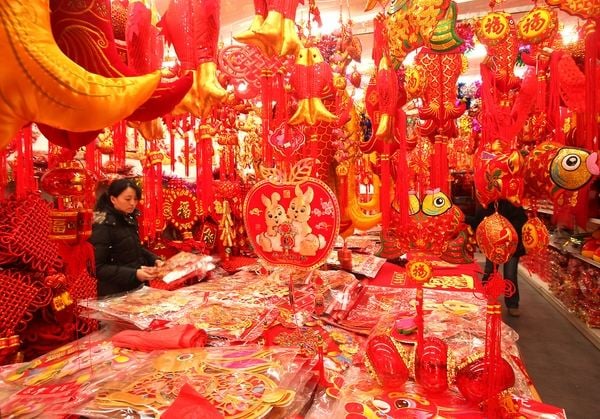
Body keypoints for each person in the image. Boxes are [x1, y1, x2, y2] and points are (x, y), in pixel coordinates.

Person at [89, 179, 163, 297]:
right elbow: (97, 268)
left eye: (135, 199)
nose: (133, 203)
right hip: (115, 293)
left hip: (137, 288)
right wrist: (134, 274)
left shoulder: (128, 218)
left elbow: (134, 247)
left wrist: (155, 260)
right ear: (113, 199)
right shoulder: (102, 224)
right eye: (128, 199)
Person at [470, 199, 528, 317]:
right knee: (489, 271)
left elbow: (522, 222)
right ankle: (485, 297)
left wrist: (503, 228)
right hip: (493, 246)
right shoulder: (487, 205)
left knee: (510, 275)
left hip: (512, 247)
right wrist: (462, 218)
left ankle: (512, 304)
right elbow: (477, 221)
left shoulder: (514, 204)